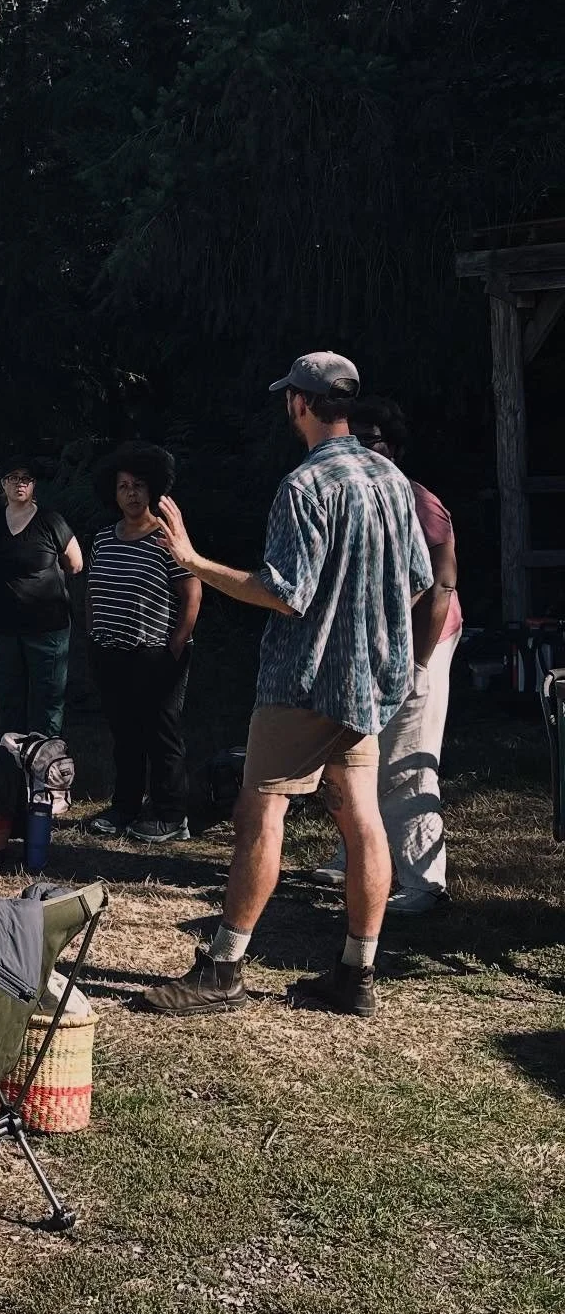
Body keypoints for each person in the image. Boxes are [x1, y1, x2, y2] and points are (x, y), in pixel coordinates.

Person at [140, 353, 432, 1020]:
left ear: (300, 402)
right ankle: (356, 974)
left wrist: (191, 561)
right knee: (362, 818)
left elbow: (284, 593)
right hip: (368, 682)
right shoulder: (390, 477)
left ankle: (223, 970)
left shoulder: (306, 485)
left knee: (259, 814)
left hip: (303, 682)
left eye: (288, 398)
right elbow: (418, 579)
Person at [310, 398, 461, 914]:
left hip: (422, 644)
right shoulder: (349, 494)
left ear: (392, 447)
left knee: (406, 762)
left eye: (371, 439)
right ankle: (355, 854)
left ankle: (424, 884)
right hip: (370, 645)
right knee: (357, 753)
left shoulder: (419, 500)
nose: (361, 448)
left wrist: (417, 666)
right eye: (353, 438)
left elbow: (441, 586)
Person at [86, 442, 201, 844]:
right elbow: (92, 590)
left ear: (151, 489)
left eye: (138, 485)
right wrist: (93, 636)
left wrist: (175, 646)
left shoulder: (167, 539)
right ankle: (125, 808)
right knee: (125, 734)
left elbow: (192, 593)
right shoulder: (103, 538)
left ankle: (171, 815)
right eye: (123, 486)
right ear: (113, 493)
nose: (131, 493)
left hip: (155, 653)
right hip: (110, 653)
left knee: (161, 734)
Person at [0, 457, 83, 738]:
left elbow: (75, 563)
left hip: (47, 626)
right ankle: (13, 754)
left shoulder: (50, 520)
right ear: (3, 484)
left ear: (34, 485)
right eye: (13, 478)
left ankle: (46, 754)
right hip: (1, 625)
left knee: (47, 697)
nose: (20, 483)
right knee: (9, 696)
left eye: (26, 478)